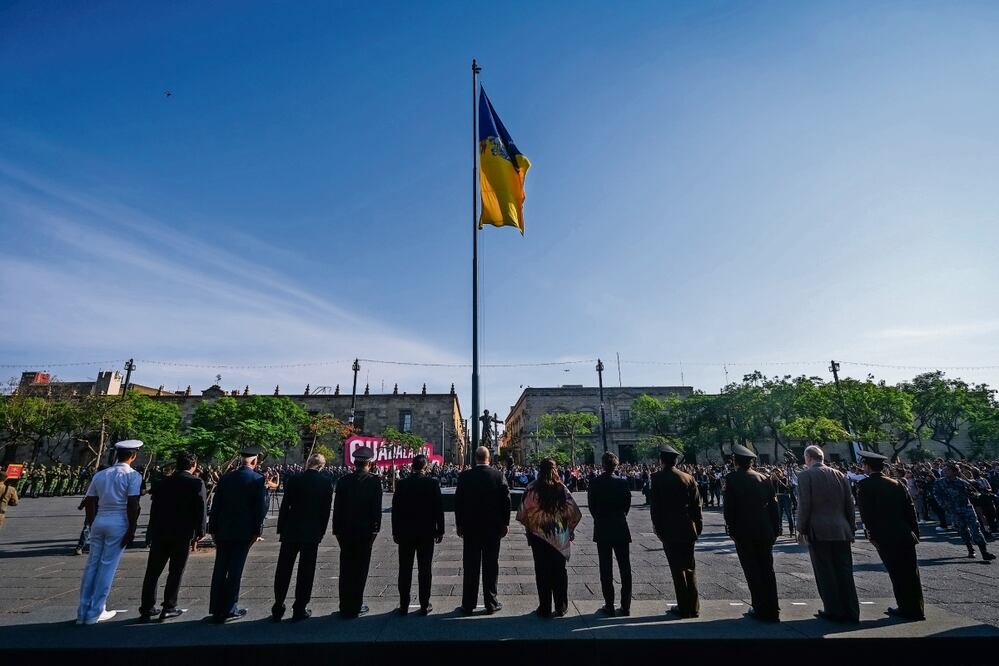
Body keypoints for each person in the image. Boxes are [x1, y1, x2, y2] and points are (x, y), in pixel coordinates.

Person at [76, 439, 144, 625]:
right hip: (119, 520)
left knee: (92, 565)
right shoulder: (133, 476)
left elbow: (89, 501)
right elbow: (132, 503)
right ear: (133, 456)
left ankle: (82, 611)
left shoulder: (101, 475)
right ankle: (96, 611)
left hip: (99, 519)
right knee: (108, 565)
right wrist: (132, 527)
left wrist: (92, 524)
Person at [856, 450, 925, 621]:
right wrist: (915, 532)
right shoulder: (897, 483)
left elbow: (867, 514)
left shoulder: (865, 486)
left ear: (867, 466)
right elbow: (910, 510)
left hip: (884, 536)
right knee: (911, 573)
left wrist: (870, 534)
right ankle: (917, 608)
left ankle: (905, 607)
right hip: (905, 533)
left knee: (896, 573)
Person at [139, 451, 207, 622]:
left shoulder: (163, 483)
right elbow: (201, 509)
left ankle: (146, 607)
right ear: (194, 466)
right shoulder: (196, 482)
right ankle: (169, 607)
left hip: (161, 532)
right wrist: (200, 532)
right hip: (182, 533)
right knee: (175, 571)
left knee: (152, 571)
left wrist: (151, 531)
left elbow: (154, 510)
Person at [796, 445, 860, 623]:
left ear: (808, 457)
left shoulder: (805, 476)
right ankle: (852, 610)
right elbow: (849, 503)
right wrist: (851, 527)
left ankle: (833, 609)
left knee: (825, 571)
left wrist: (800, 527)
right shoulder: (840, 474)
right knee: (845, 571)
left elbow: (805, 505)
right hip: (841, 529)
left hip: (819, 530)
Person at [207, 446, 268, 623]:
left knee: (220, 568)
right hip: (244, 531)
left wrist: (213, 529)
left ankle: (216, 607)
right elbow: (260, 509)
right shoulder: (257, 479)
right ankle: (230, 608)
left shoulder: (225, 478)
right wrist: (257, 531)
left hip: (223, 530)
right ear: (255, 461)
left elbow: (216, 505)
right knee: (235, 569)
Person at [516, 458, 582, 617]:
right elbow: (575, 513)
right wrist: (569, 529)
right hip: (558, 536)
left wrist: (530, 527)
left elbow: (523, 512)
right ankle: (561, 606)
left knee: (541, 571)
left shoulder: (532, 488)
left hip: (538, 536)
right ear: (554, 470)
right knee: (559, 572)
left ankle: (544, 607)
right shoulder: (561, 488)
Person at [272, 453, 334, 621]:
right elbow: (325, 511)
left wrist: (281, 528)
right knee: (306, 571)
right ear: (322, 466)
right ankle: (300, 607)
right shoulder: (325, 482)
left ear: (308, 463)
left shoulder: (294, 479)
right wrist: (321, 531)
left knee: (283, 569)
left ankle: (278, 605)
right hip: (311, 532)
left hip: (290, 531)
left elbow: (285, 506)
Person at [723, 445, 780, 622]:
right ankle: (773, 608)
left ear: (735, 461)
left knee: (752, 570)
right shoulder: (764, 477)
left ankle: (759, 606)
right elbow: (774, 506)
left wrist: (731, 529)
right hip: (765, 529)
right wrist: (776, 528)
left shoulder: (731, 479)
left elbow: (729, 509)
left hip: (744, 531)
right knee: (767, 570)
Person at [454, 446, 511, 615]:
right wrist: (505, 523)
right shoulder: (498, 475)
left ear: (475, 458)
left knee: (470, 565)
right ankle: (491, 603)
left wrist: (459, 524)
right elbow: (506, 501)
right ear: (489, 458)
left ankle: (468, 604)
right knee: (491, 565)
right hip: (492, 528)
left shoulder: (465, 476)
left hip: (470, 528)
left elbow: (458, 502)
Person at [649, 445, 702, 618]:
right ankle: (693, 607)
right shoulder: (688, 477)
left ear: (662, 460)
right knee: (690, 567)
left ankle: (683, 606)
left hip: (669, 528)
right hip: (688, 527)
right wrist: (697, 526)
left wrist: (657, 527)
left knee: (676, 568)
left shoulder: (657, 478)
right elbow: (697, 506)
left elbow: (655, 507)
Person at [331, 446, 383, 618]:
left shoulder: (343, 481)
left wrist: (336, 532)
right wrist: (375, 531)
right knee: (361, 569)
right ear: (369, 463)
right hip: (365, 532)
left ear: (354, 462)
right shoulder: (374, 481)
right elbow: (376, 510)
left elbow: (337, 509)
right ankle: (356, 605)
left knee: (345, 569)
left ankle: (344, 605)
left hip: (345, 532)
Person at [392, 454, 445, 615]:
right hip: (426, 533)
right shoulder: (432, 483)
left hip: (406, 533)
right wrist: (440, 530)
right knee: (425, 569)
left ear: (413, 466)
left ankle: (403, 604)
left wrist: (395, 531)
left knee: (405, 569)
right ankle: (424, 604)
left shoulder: (402, 484)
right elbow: (438, 509)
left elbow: (396, 510)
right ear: (425, 467)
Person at [587, 451, 633, 616]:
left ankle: (609, 605)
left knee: (605, 568)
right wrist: (620, 516)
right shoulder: (623, 483)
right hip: (620, 526)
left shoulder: (594, 483)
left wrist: (600, 518)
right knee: (625, 568)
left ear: (603, 465)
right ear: (616, 465)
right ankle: (626, 606)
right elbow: (627, 504)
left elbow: (591, 506)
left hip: (603, 527)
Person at [934, 463, 995, 561]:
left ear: (955, 472)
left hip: (967, 508)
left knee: (976, 529)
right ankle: (970, 549)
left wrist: (977, 490)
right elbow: (937, 495)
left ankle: (984, 552)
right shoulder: (939, 483)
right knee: (963, 530)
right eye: (945, 470)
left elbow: (974, 494)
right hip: (954, 510)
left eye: (948, 470)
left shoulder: (962, 482)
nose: (945, 472)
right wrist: (944, 505)